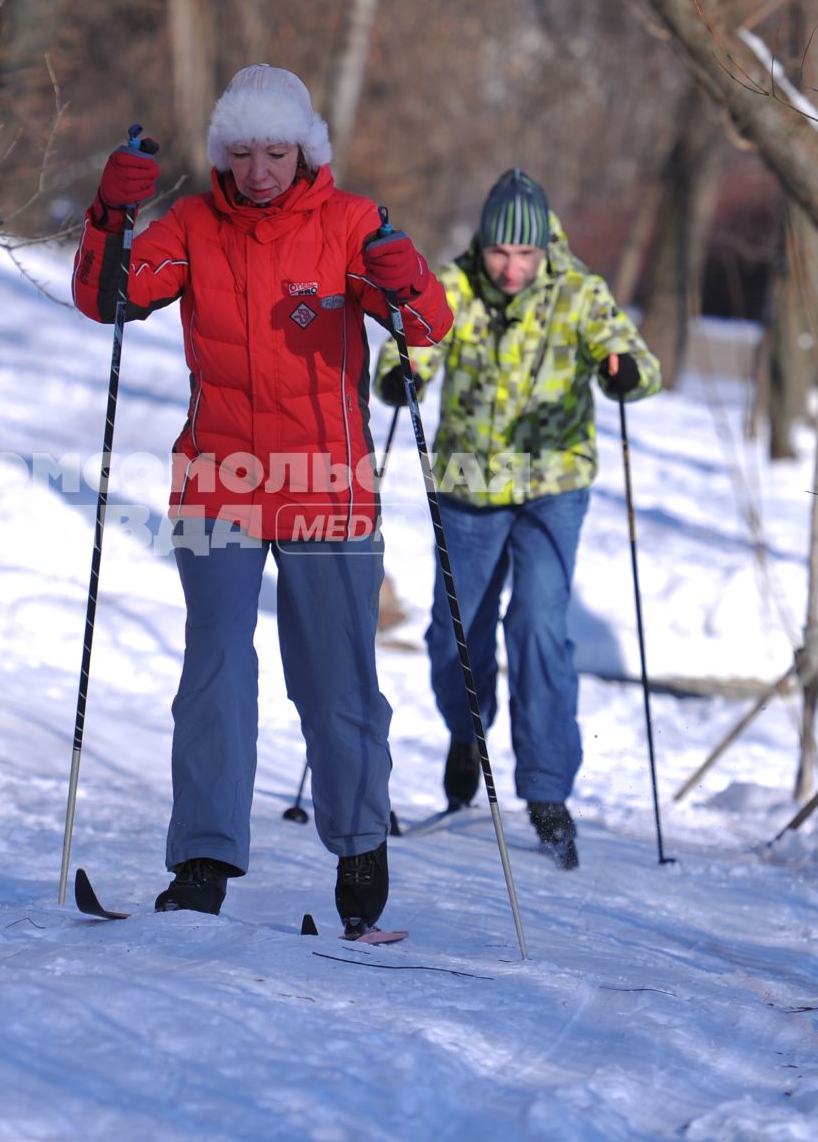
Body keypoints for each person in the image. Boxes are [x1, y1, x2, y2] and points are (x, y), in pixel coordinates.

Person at [71, 65, 452, 931]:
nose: (259, 171)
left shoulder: (353, 223)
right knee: (214, 669)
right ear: (223, 155)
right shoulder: (193, 225)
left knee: (337, 676)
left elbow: (425, 330)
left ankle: (360, 854)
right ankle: (201, 866)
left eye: (276, 151)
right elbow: (111, 299)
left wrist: (403, 276)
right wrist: (108, 217)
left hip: (328, 481)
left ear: (306, 150)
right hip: (220, 476)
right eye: (241, 152)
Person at [374, 168, 661, 870]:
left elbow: (635, 359)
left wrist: (625, 372)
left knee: (537, 621)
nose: (511, 268)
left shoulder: (577, 291)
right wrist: (401, 371)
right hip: (470, 485)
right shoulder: (454, 286)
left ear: (543, 249)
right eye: (501, 253)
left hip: (552, 485)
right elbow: (412, 343)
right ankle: (467, 731)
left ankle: (545, 788)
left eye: (524, 255)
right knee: (456, 633)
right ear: (484, 245)